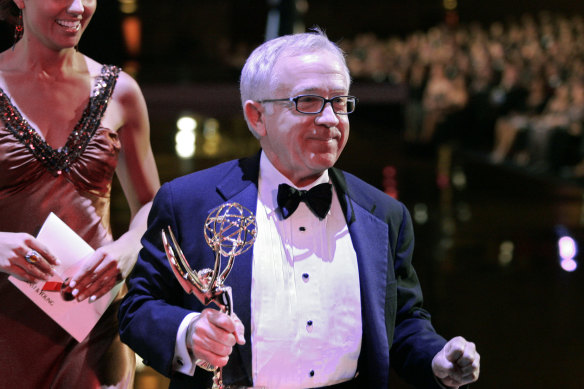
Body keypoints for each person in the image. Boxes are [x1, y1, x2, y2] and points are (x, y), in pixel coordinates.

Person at [119, 28, 480, 388]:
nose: (329, 119)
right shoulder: (189, 202)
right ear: (256, 116)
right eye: (307, 101)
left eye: (339, 102)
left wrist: (435, 355)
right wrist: (188, 332)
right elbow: (137, 308)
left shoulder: (384, 214)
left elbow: (401, 319)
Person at [0, 0, 160, 388]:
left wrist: (126, 251)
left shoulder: (121, 91)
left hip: (92, 325)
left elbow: (154, 205)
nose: (77, 6)